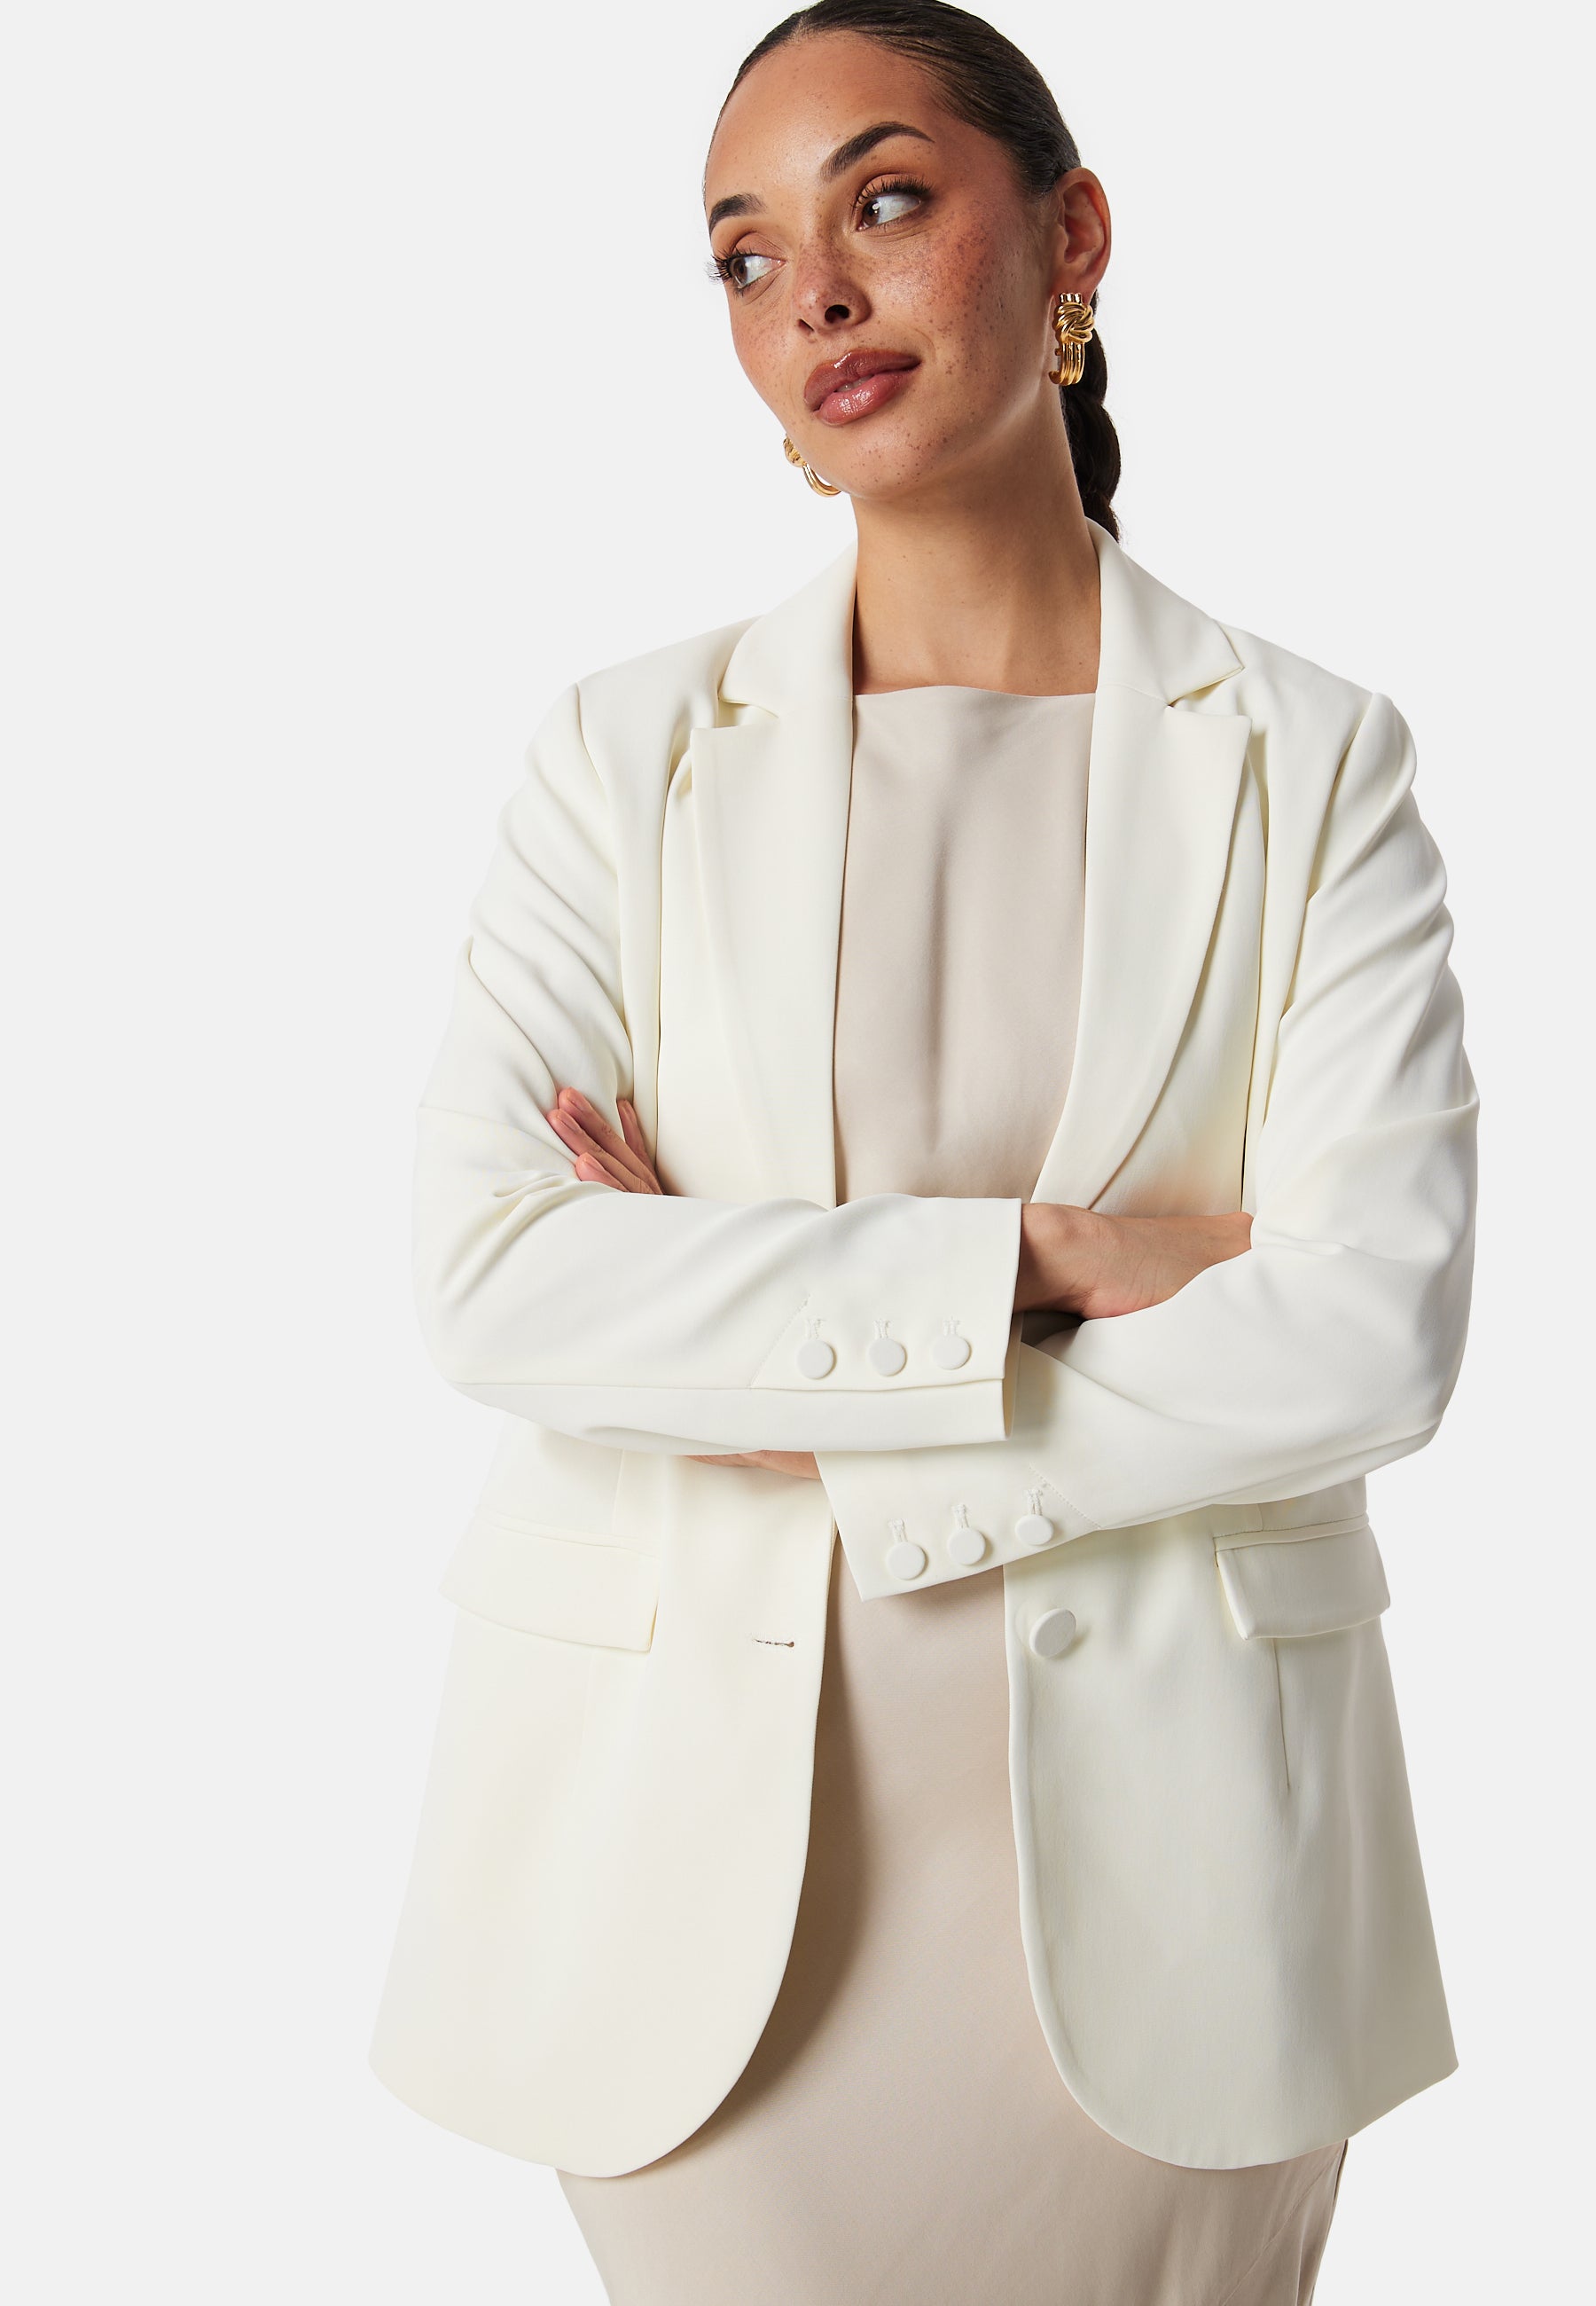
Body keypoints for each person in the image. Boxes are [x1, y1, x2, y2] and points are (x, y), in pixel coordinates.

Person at [369, 6, 1477, 2300]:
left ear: (1072, 241)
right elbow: (495, 1279)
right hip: (697, 1892)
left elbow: (1370, 1329)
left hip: (1189, 1888)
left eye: (884, 202)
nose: (816, 299)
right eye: (744, 256)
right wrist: (1048, 1262)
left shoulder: (1315, 763)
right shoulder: (621, 757)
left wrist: (791, 1378)